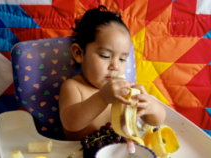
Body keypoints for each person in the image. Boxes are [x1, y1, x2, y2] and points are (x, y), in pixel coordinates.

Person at [59, 5, 166, 142]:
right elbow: (70, 123)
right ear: (79, 53)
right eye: (105, 56)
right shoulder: (74, 87)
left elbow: (156, 121)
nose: (115, 66)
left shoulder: (126, 91)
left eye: (122, 59)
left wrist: (152, 107)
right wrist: (102, 98)